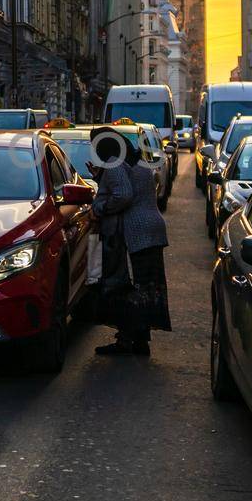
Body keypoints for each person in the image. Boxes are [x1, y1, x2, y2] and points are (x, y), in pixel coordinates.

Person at [88, 128, 170, 356]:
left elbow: (123, 195)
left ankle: (125, 342)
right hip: (152, 230)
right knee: (145, 287)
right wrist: (100, 178)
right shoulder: (136, 160)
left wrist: (99, 207)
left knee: (126, 287)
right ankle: (140, 341)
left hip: (134, 233)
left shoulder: (114, 163)